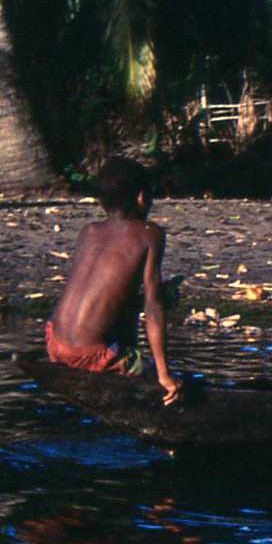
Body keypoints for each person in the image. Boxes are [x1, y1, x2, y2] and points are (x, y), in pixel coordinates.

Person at [45, 158, 181, 405]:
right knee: (148, 369)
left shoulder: (89, 231)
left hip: (54, 342)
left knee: (128, 312)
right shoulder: (149, 234)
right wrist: (164, 374)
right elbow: (153, 307)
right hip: (90, 354)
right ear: (141, 198)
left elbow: (103, 291)